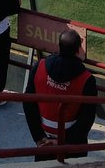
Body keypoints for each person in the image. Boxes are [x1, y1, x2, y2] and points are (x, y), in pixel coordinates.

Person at [23, 28, 96, 159]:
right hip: (73, 146)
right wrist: (63, 142)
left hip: (44, 144)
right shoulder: (87, 80)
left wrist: (39, 137)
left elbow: (28, 104)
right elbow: (87, 118)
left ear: (59, 46)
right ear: (78, 49)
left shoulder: (39, 66)